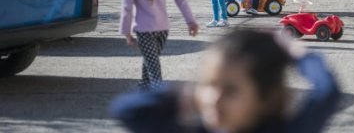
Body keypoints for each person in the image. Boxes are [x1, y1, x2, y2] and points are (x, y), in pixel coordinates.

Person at [110, 29, 340, 133]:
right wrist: (186, 92)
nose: (214, 99)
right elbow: (125, 110)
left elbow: (327, 92)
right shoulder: (195, 128)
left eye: (231, 90)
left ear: (266, 97)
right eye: (210, 85)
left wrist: (298, 52)